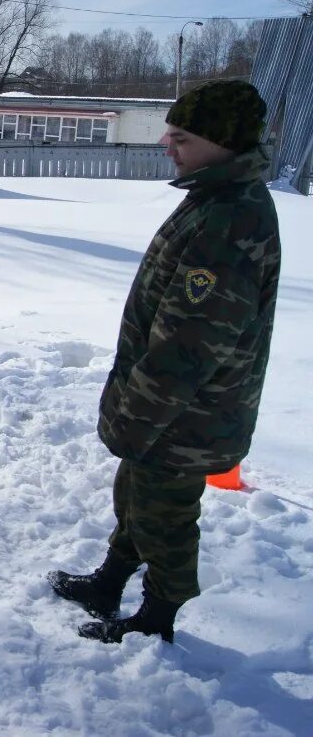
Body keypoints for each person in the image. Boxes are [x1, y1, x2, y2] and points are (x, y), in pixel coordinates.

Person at [49, 79, 281, 644]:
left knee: (165, 517)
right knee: (137, 496)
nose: (166, 144)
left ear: (221, 141)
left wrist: (137, 416)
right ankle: (110, 582)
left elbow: (190, 344)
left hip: (184, 414)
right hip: (165, 408)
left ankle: (158, 619)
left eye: (180, 137)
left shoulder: (230, 220)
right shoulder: (213, 196)